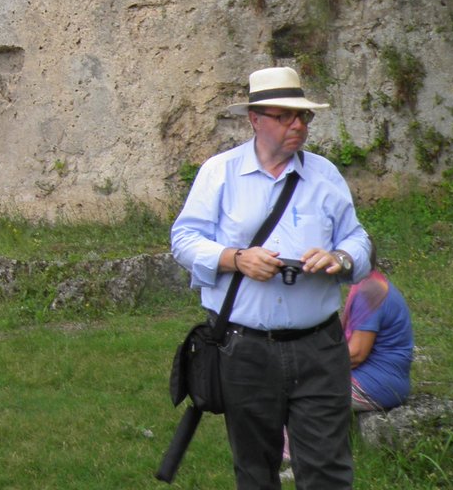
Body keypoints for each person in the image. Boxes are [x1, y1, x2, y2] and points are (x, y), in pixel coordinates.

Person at [171, 67, 372, 490]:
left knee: (328, 470)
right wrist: (235, 258)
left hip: (319, 347)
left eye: (303, 116)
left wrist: (339, 257)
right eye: (284, 116)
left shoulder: (325, 175)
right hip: (245, 348)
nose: (297, 125)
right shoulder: (220, 172)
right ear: (255, 119)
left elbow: (357, 239)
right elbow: (184, 239)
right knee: (255, 470)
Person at [344, 240, 413, 412]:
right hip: (381, 380)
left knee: (300, 394)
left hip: (374, 385)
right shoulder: (372, 284)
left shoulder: (370, 292)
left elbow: (355, 355)